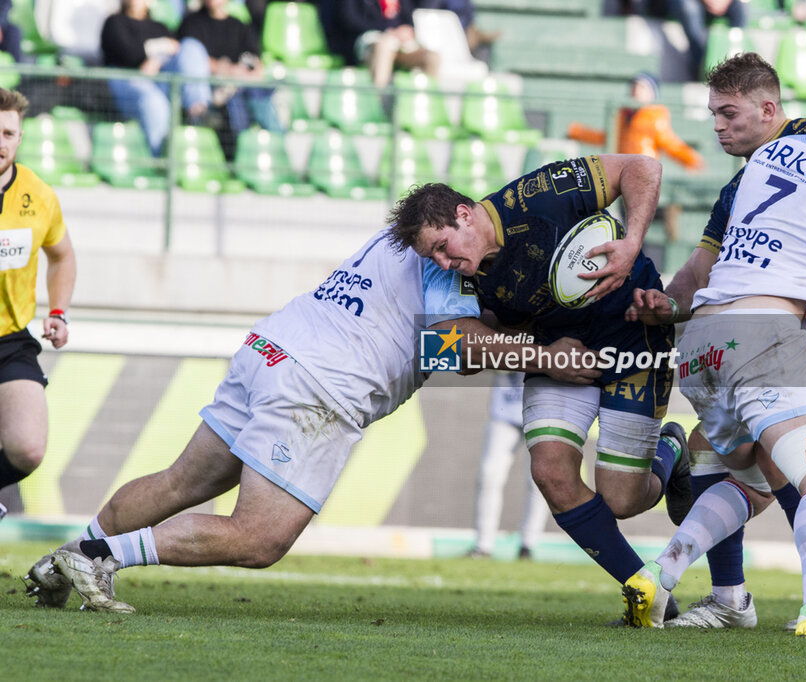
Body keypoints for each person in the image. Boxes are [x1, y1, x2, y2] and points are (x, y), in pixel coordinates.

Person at [23, 230, 599, 612]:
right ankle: (97, 557)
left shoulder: (411, 235)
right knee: (259, 538)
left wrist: (510, 338)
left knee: (180, 481)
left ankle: (62, 563)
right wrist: (550, 353)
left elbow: (447, 341)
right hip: (318, 385)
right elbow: (456, 343)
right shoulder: (454, 260)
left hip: (271, 348)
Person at [621, 62, 806, 641]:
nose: (719, 126)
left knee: (755, 480)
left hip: (701, 341)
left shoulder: (765, 161)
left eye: (725, 113)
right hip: (763, 335)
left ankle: (661, 574)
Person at [386, 154, 690, 621]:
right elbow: (445, 348)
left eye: (444, 247)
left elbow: (641, 167)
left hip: (633, 330)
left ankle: (671, 449)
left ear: (464, 214)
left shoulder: (535, 196)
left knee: (623, 500)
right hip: (554, 349)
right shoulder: (454, 274)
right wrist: (538, 354)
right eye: (433, 257)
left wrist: (630, 243)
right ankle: (651, 598)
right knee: (550, 471)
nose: (444, 263)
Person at [0, 88, 76, 521]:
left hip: (10, 340)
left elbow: (63, 255)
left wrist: (59, 311)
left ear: (20, 137)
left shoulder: (39, 195)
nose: (0, 142)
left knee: (28, 448)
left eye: (8, 133)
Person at [567, 72, 704, 241]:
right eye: (634, 87)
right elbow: (607, 137)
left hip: (641, 172)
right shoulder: (622, 114)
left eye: (642, 88)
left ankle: (664, 214)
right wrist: (578, 132)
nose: (636, 91)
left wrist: (690, 159)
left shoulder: (653, 117)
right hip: (622, 172)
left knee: (636, 223)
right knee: (627, 219)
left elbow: (670, 143)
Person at [100, 0, 213, 156]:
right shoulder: (114, 22)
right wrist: (160, 48)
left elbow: (176, 48)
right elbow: (129, 53)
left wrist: (156, 58)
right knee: (154, 101)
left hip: (157, 80)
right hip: (126, 82)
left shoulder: (159, 27)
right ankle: (161, 157)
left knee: (191, 46)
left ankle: (198, 111)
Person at [178, 0, 283, 159]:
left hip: (243, 86)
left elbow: (256, 64)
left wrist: (243, 74)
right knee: (236, 103)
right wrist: (229, 70)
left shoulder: (239, 25)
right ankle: (239, 157)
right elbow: (193, 60)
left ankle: (280, 152)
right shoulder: (192, 23)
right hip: (215, 91)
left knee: (260, 97)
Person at [465, 372, 548, 560]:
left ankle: (528, 545)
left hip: (541, 411)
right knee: (489, 475)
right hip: (504, 410)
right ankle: (483, 545)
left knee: (538, 481)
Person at [326, 0, 440, 88]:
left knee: (431, 57)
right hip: (369, 40)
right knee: (385, 45)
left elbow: (409, 20)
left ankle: (427, 105)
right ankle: (379, 103)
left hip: (399, 44)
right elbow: (350, 20)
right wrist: (388, 31)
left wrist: (407, 30)